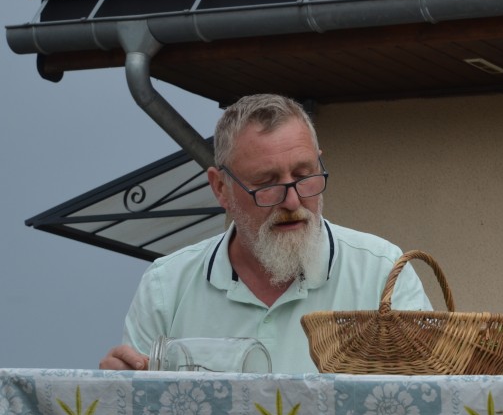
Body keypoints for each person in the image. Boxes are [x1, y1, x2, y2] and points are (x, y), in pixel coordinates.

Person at [100, 94, 431, 373]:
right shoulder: (166, 286)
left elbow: (430, 402)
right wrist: (110, 393)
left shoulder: (382, 272)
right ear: (220, 188)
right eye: (266, 183)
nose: (292, 201)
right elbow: (136, 413)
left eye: (303, 175)